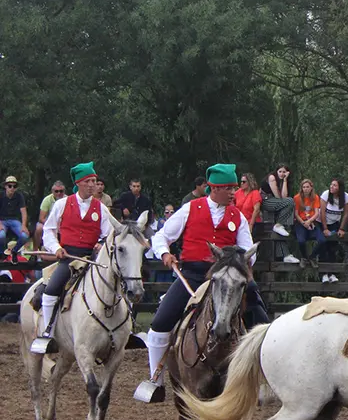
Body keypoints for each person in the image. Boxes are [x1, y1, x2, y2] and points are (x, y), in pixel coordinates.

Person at [134, 164, 269, 403]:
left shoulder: (236, 215)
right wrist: (165, 253)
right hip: (193, 276)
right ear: (215, 188)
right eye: (229, 188)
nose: (233, 193)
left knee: (260, 318)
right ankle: (155, 380)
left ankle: (261, 377)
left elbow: (250, 250)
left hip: (228, 275)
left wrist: (238, 259)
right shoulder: (190, 209)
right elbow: (161, 236)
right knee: (160, 323)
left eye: (235, 188)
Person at [29, 163, 112, 352]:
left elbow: (109, 234)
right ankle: (47, 333)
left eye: (94, 181)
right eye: (89, 181)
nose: (93, 185)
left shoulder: (101, 209)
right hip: (68, 257)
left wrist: (102, 243)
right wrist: (56, 247)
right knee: (51, 290)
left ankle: (125, 329)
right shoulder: (62, 204)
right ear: (79, 183)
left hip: (92, 259)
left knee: (117, 286)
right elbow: (48, 231)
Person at [261, 165, 299, 264]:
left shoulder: (283, 181)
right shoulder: (272, 178)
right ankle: (279, 225)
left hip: (276, 204)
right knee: (290, 201)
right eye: (280, 171)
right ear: (276, 171)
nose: (282, 174)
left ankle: (285, 255)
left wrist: (285, 181)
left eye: (284, 172)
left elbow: (284, 196)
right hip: (266, 201)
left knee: (281, 230)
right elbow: (279, 197)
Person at [0, 175, 29, 254]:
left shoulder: (19, 196)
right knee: (1, 236)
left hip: (14, 220)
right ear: (5, 186)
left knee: (24, 236)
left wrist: (23, 225)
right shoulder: (1, 195)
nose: (12, 188)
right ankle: (2, 254)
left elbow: (23, 211)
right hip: (2, 220)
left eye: (14, 186)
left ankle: (14, 251)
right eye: (10, 186)